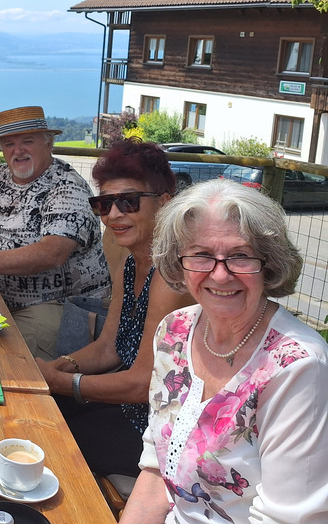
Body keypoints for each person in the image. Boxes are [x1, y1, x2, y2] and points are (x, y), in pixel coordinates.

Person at [122, 179, 328, 524]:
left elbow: (286, 520)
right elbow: (157, 472)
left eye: (240, 256)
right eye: (202, 255)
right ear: (178, 261)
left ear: (269, 263)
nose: (220, 275)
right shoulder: (175, 331)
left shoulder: (299, 366)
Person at [37, 140, 189, 478]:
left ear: (164, 202)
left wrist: (64, 382)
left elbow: (142, 383)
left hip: (161, 429)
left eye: (128, 201)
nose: (114, 215)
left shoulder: (171, 275)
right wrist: (58, 367)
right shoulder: (131, 265)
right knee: (38, 411)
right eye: (104, 204)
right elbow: (108, 347)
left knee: (49, 439)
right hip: (131, 409)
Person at [0, 105, 110, 359]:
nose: (18, 151)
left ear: (48, 143)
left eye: (27, 141)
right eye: (9, 144)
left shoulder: (66, 187)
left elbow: (51, 253)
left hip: (58, 306)